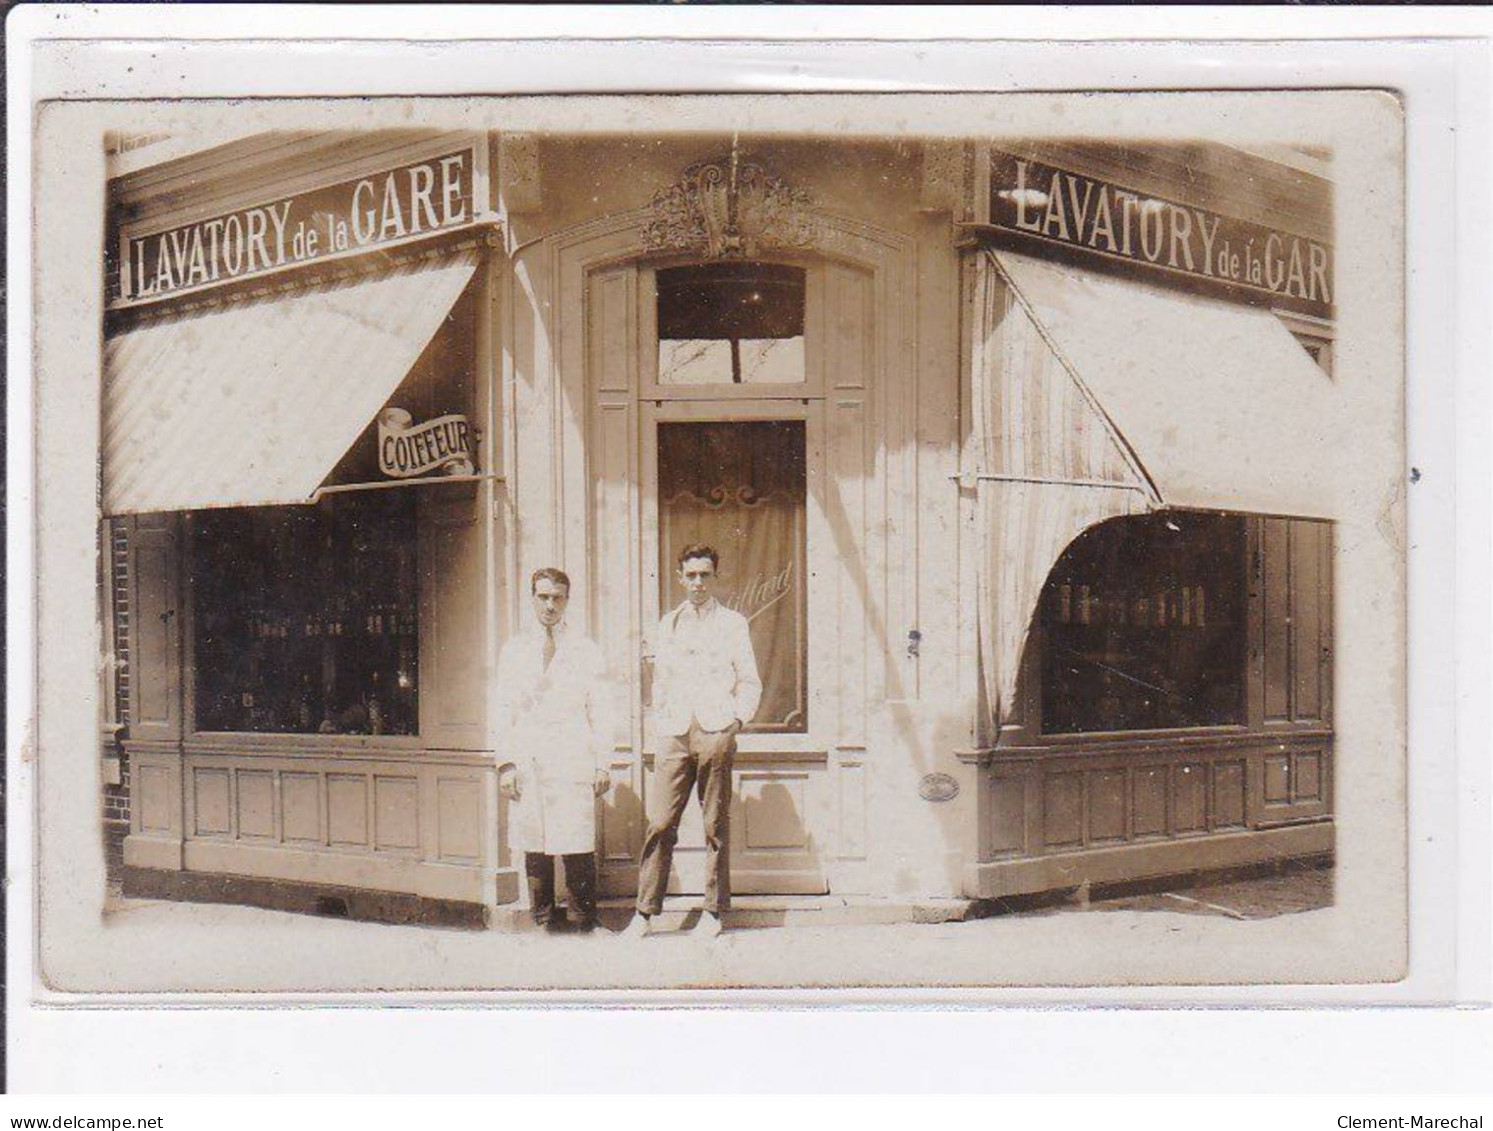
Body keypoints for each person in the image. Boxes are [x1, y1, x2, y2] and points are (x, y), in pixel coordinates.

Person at [623, 544, 762, 939]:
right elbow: (658, 680)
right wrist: (661, 721)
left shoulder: (733, 623)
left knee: (714, 823)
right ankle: (645, 912)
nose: (698, 582)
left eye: (705, 574)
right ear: (680, 577)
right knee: (661, 822)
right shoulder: (667, 624)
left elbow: (749, 679)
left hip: (716, 729)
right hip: (674, 733)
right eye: (691, 575)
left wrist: (735, 722)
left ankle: (714, 913)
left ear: (715, 577)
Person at [496, 567, 613, 933]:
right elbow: (503, 710)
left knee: (576, 842)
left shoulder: (584, 649)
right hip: (530, 757)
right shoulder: (514, 650)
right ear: (532, 598)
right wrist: (506, 764)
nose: (550, 605)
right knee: (535, 842)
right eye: (543, 597)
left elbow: (602, 710)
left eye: (557, 597)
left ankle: (583, 922)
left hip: (572, 756)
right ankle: (543, 920)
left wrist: (602, 764)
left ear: (567, 600)